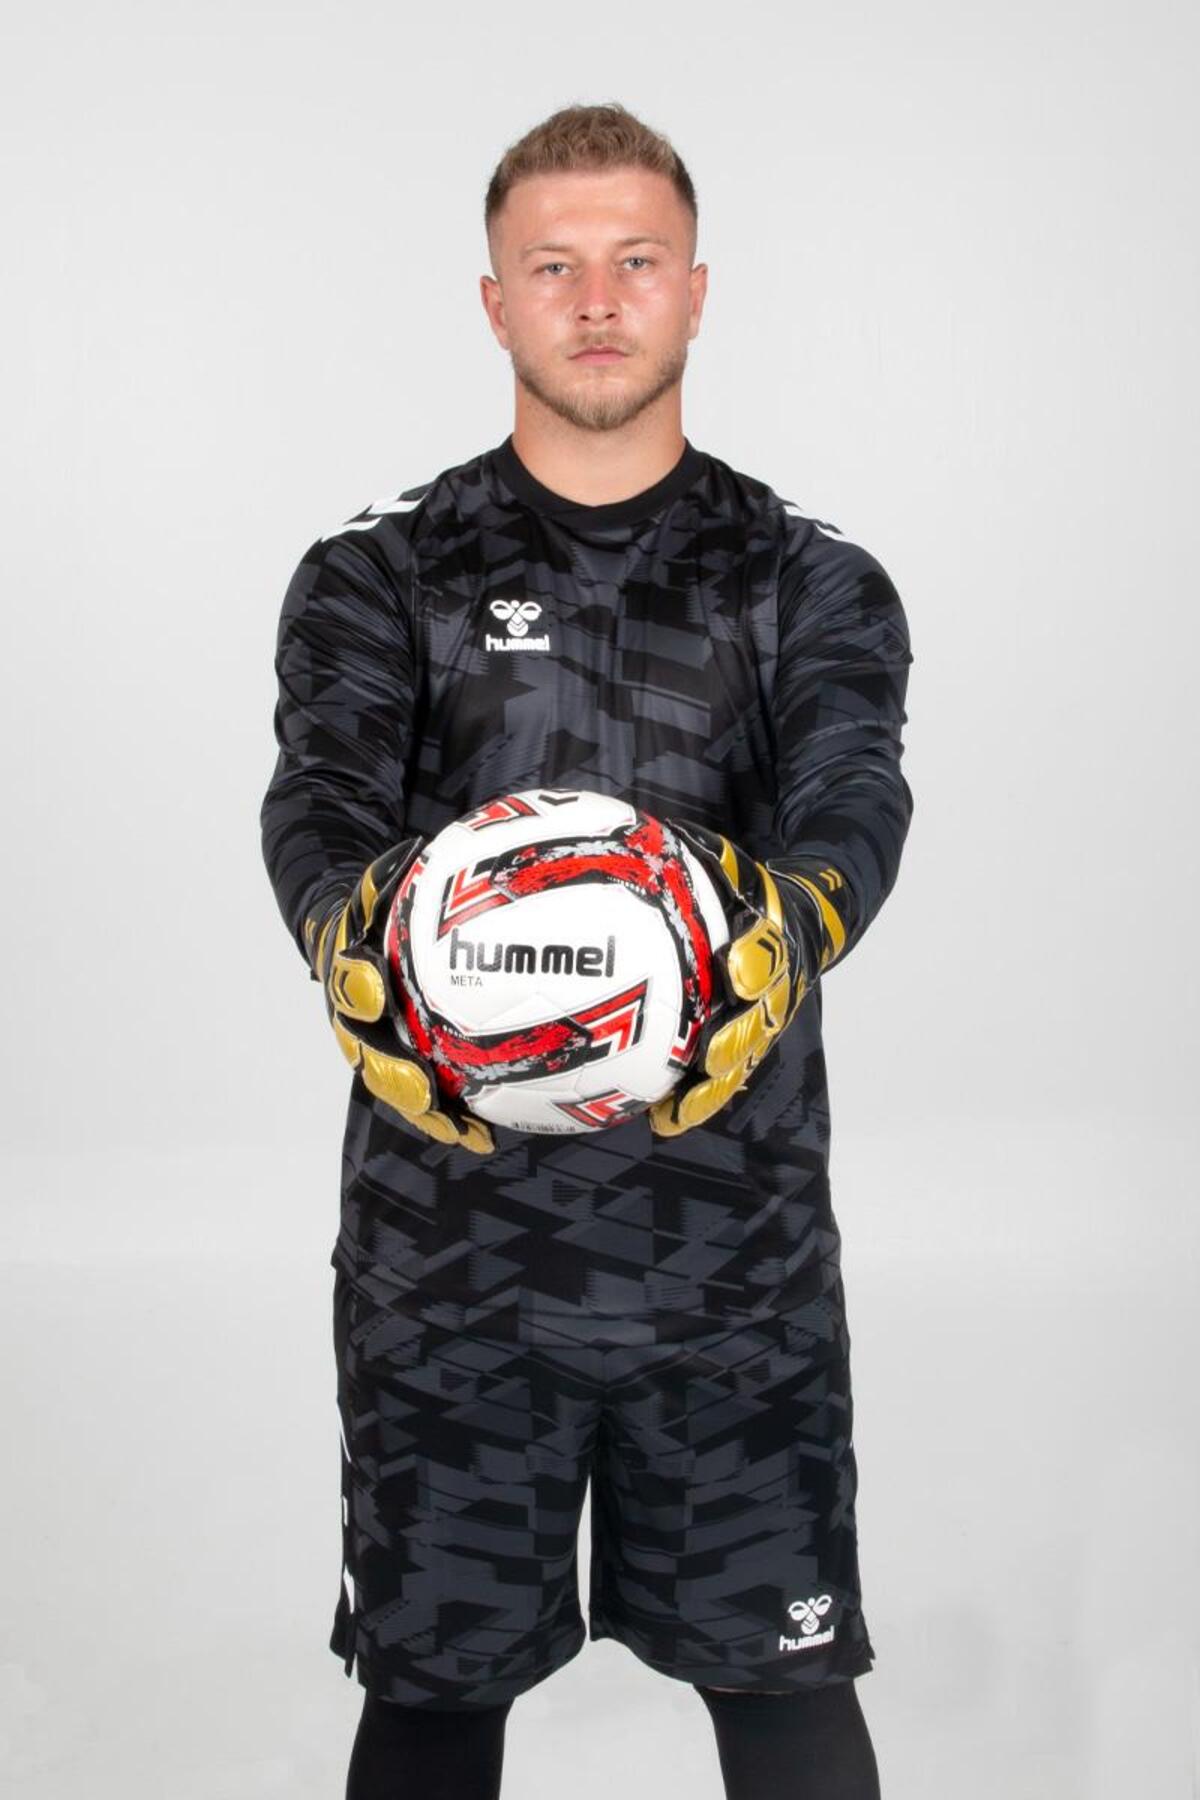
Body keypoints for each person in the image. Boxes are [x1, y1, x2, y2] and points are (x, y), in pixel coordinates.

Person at [260, 100, 912, 1800]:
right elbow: (319, 803)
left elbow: (855, 798)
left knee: (785, 1693)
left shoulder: (808, 575)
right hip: (450, 1267)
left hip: (733, 1265)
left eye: (636, 261)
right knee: (429, 1701)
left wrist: (784, 928)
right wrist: (347, 941)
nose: (599, 300)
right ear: (495, 302)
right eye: (554, 268)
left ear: (697, 290)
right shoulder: (380, 570)